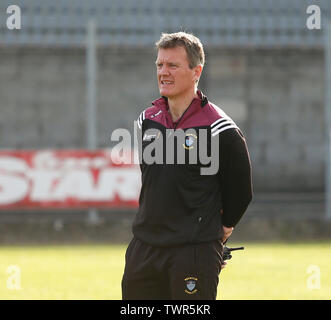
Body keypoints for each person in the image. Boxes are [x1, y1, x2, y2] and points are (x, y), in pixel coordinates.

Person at [121, 32, 253, 300]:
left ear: (196, 71)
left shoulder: (220, 128)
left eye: (173, 65)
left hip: (193, 251)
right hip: (143, 250)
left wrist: (218, 235)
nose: (163, 72)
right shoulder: (145, 121)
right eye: (159, 65)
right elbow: (156, 183)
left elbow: (240, 191)